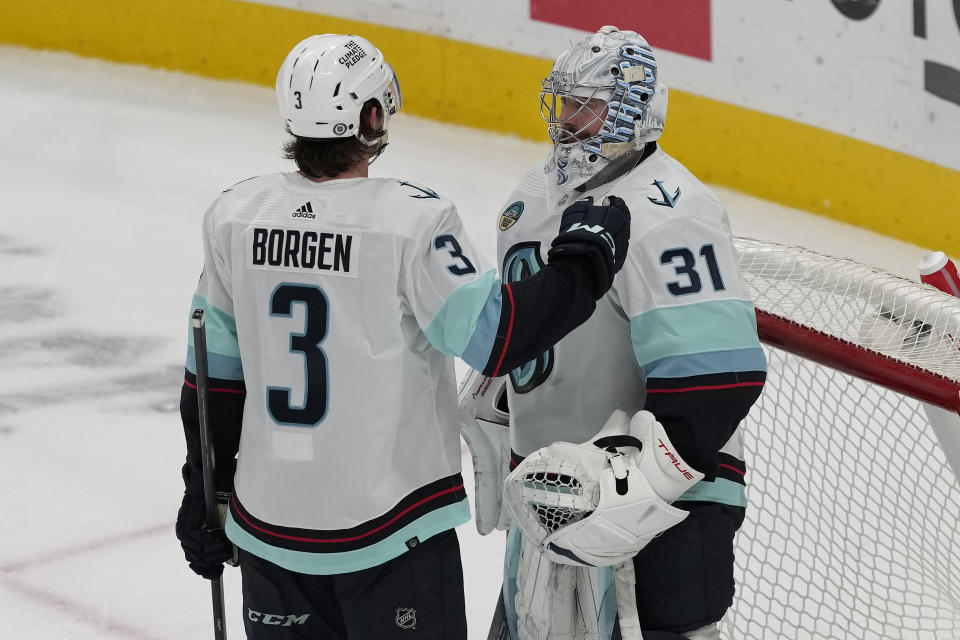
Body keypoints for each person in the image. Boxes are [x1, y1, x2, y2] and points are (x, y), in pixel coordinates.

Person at [174, 33, 632, 639]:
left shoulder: (235, 216)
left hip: (270, 534)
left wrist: (204, 495)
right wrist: (584, 264)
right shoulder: (412, 223)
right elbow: (500, 339)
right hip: (391, 535)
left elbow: (212, 379)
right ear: (371, 116)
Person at [483, 25, 767, 640]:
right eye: (565, 102)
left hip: (659, 515)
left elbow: (719, 379)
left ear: (637, 114)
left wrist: (632, 498)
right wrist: (495, 406)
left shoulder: (674, 213)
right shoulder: (528, 197)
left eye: (589, 106)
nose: (569, 121)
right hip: (546, 503)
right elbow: (535, 328)